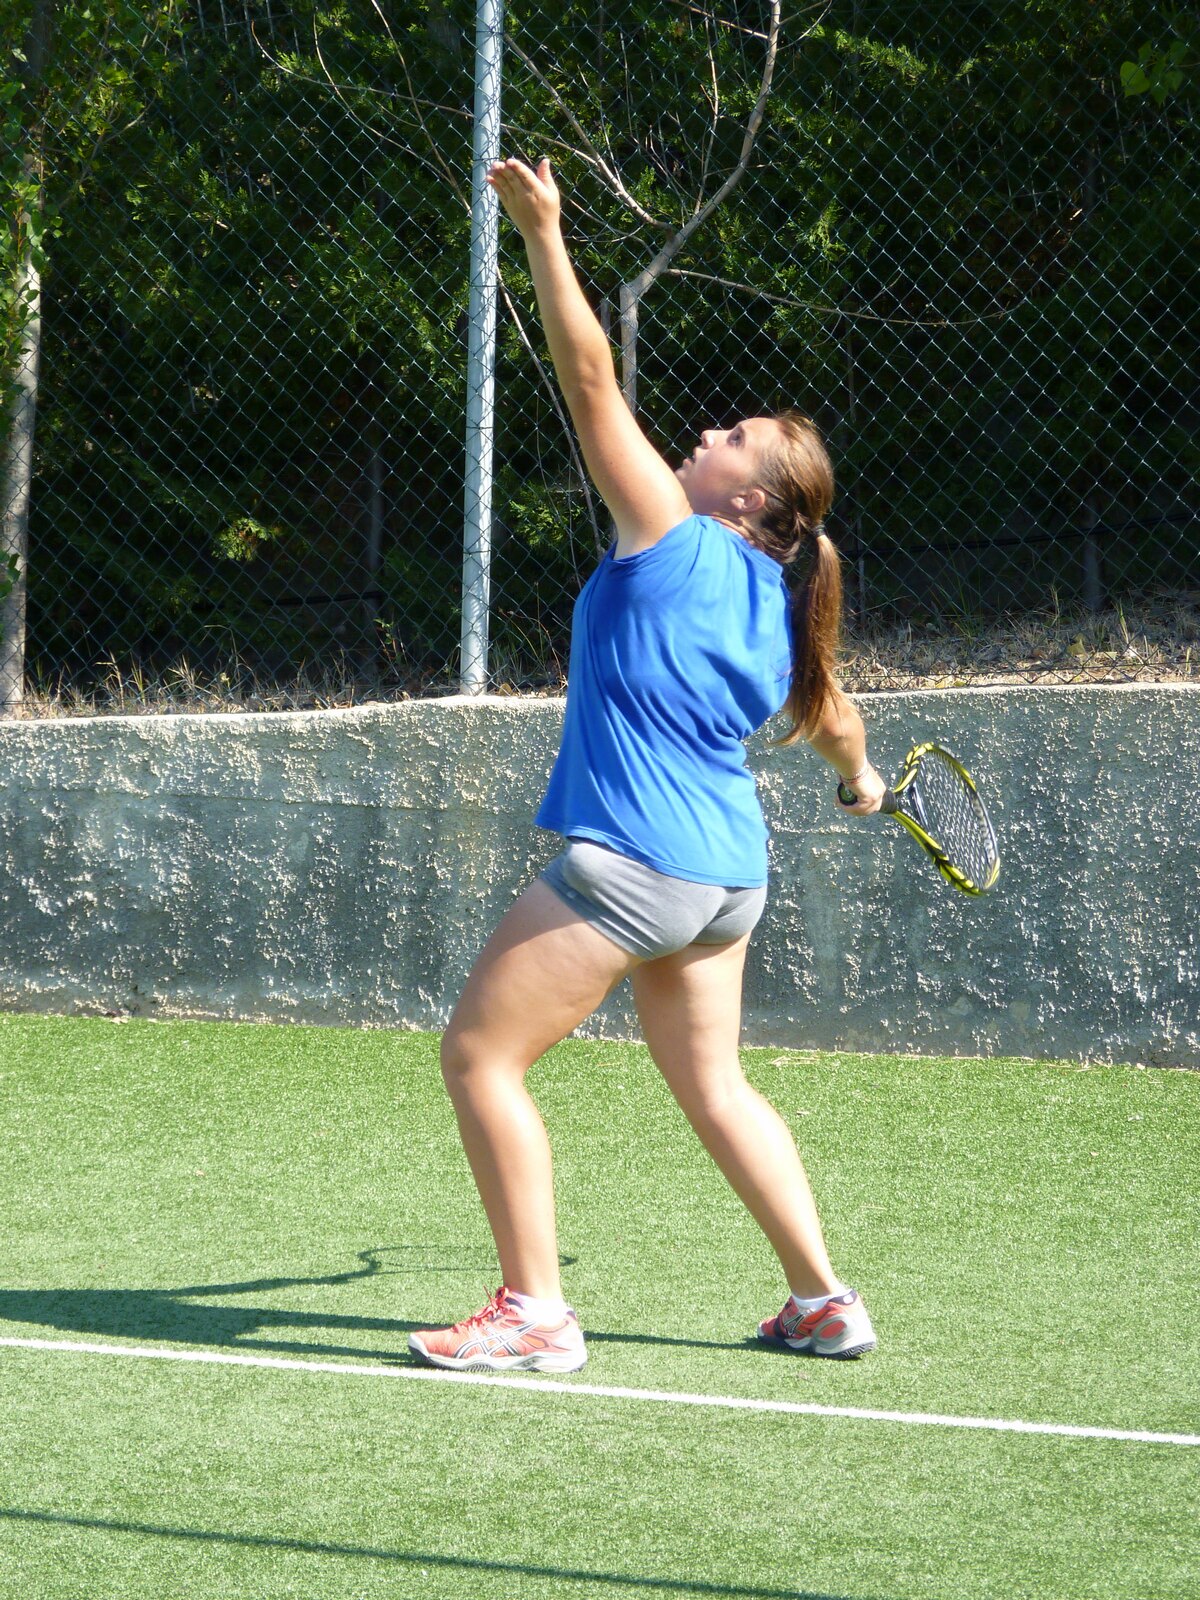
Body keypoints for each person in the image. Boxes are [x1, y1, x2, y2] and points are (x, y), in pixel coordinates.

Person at [408, 157, 887, 1375]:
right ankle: (824, 1299)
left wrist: (545, 231)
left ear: (752, 499)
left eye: (732, 439)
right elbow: (839, 726)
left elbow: (587, 380)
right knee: (717, 1088)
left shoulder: (670, 533)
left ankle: (536, 1312)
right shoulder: (786, 609)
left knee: (480, 1056)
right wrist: (860, 785)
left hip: (637, 865)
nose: (705, 435)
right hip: (728, 881)